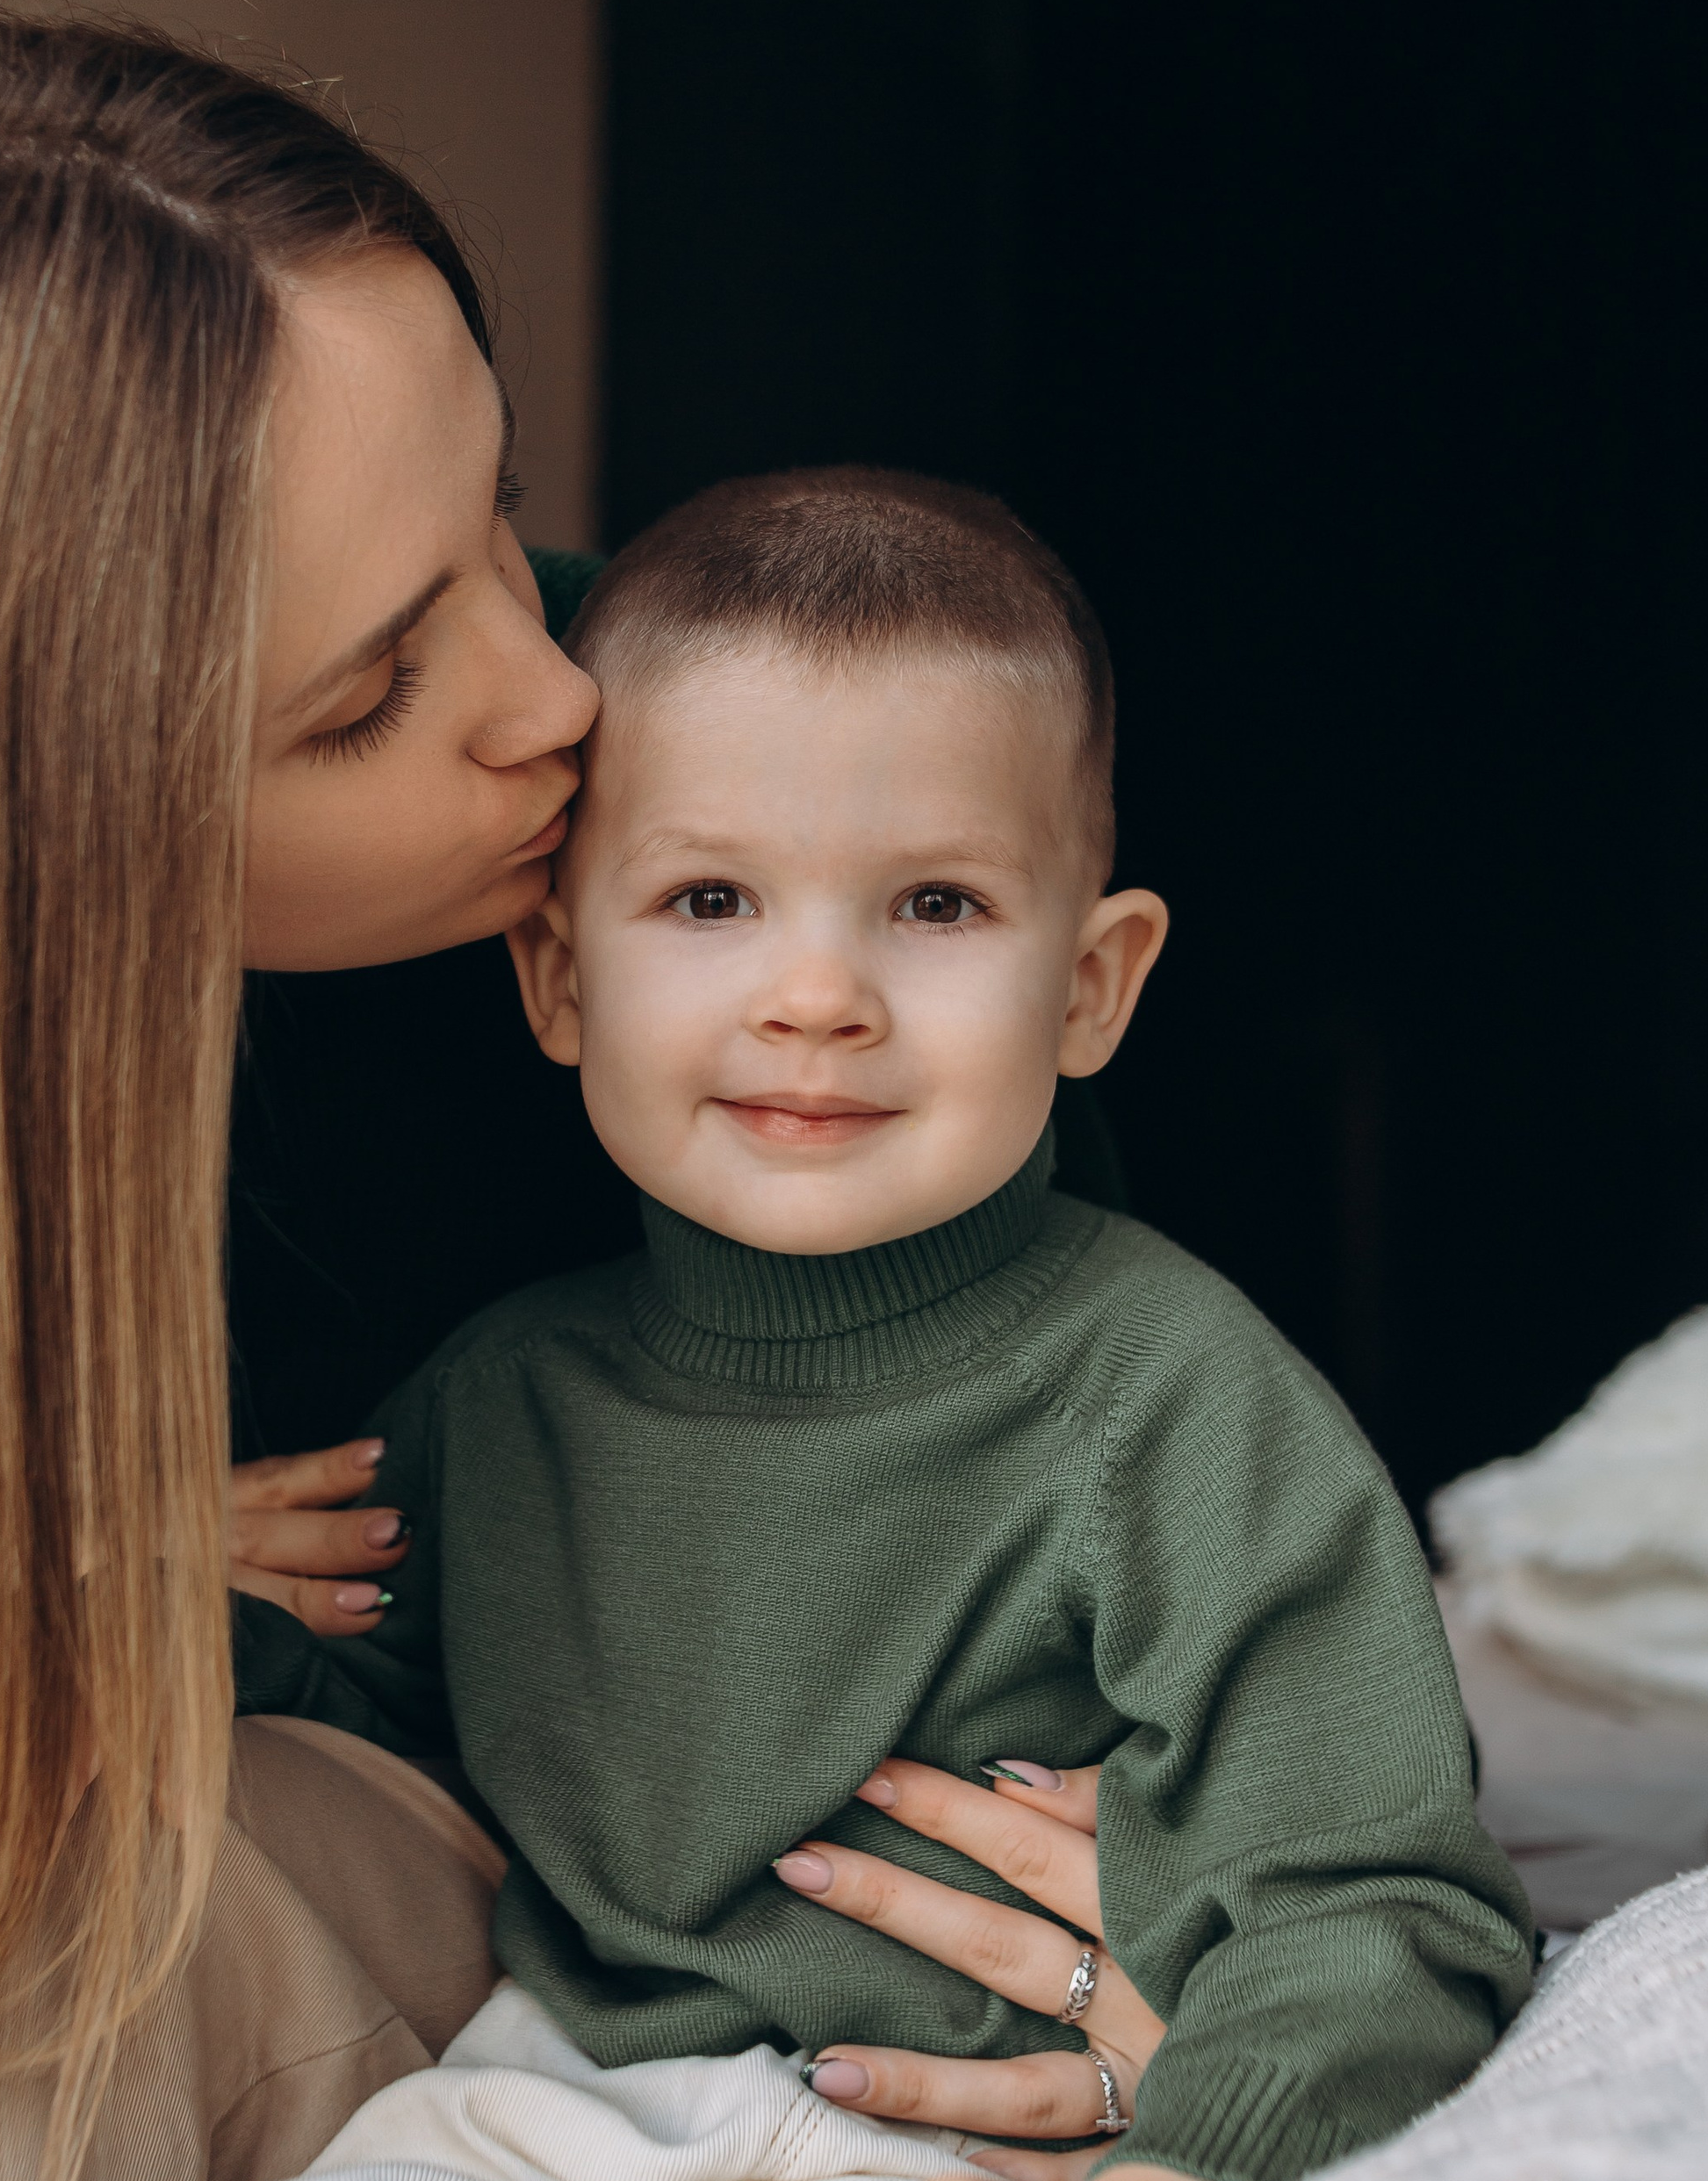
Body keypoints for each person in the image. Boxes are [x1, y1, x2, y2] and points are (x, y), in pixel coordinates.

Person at [0, 7, 1161, 2181]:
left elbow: (1111, 1472)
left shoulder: (716, 848)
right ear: (15, 835)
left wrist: (1177, 1894)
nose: (557, 687)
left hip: (629, 1888)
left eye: (498, 516)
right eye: (374, 692)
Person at [236, 470, 1534, 2178]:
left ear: (1089, 985)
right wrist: (146, 1588)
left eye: (931, 904)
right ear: (556, 977)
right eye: (710, 900)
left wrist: (1194, 2147)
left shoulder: (1171, 1402)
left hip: (984, 2120)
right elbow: (326, 1700)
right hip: (556, 2097)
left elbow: (1377, 1903)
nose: (816, 996)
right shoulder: (499, 1401)